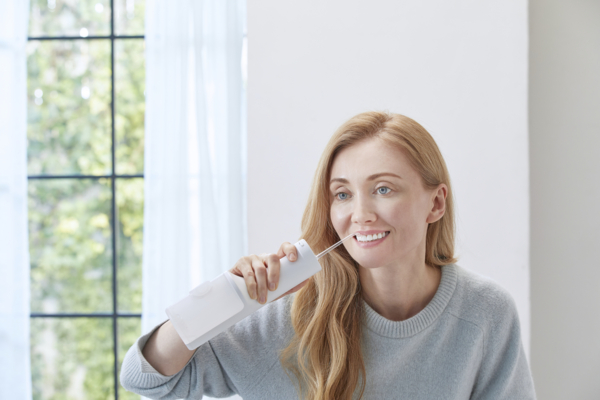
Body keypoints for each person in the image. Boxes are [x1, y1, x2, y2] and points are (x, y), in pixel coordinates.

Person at [120, 111, 537, 399]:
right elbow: (145, 377)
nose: (361, 214)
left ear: (436, 203)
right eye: (342, 194)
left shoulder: (484, 314)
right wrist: (228, 296)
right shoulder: (289, 314)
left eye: (383, 189)